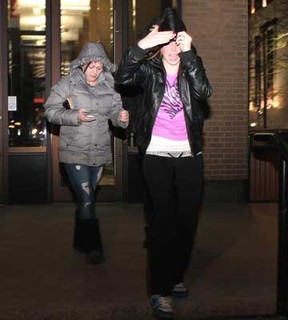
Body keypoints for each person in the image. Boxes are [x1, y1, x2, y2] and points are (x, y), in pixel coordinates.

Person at [115, 7, 212, 319]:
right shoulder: (148, 70)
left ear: (184, 42)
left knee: (186, 224)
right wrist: (144, 44)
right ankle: (161, 290)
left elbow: (203, 91)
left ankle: (176, 274)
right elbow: (123, 76)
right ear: (159, 45)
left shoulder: (191, 66)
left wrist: (189, 56)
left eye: (177, 42)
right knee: (162, 224)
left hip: (190, 157)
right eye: (167, 42)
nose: (172, 48)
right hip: (156, 156)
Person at [45, 42, 129, 264]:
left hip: (100, 149)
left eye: (99, 66)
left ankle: (79, 241)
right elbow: (51, 111)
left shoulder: (110, 84)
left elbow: (114, 112)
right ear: (82, 65)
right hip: (75, 150)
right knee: (87, 198)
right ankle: (94, 247)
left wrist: (121, 119)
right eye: (91, 66)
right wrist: (75, 116)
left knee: (87, 199)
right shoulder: (68, 83)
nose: (95, 70)